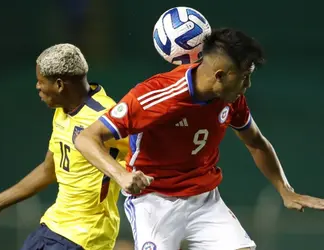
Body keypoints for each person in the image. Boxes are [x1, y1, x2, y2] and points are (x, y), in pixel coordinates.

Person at [73, 28, 324, 250]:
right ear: (220, 75)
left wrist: (285, 190)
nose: (247, 84)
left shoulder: (232, 99)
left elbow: (256, 142)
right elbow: (86, 138)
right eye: (245, 76)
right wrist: (121, 175)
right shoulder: (155, 96)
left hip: (204, 200)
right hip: (154, 200)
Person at [0, 44, 128, 250]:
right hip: (53, 226)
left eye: (41, 81)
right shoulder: (63, 111)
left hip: (85, 236)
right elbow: (49, 169)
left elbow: (146, 153)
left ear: (60, 84)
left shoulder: (107, 117)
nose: (37, 87)